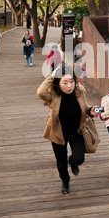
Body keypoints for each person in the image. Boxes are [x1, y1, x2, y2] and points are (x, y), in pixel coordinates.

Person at [37, 64, 98, 194]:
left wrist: (89, 109)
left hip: (76, 131)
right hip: (58, 133)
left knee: (79, 159)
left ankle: (72, 161)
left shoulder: (80, 90)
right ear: (58, 83)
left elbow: (84, 105)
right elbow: (40, 92)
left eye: (71, 81)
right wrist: (52, 76)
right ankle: (65, 181)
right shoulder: (53, 94)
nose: (69, 86)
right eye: (65, 82)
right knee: (61, 163)